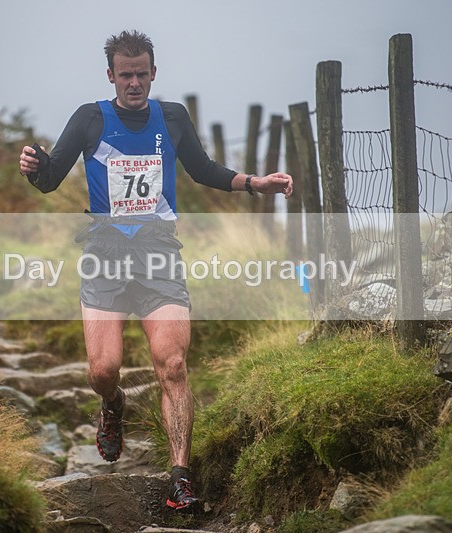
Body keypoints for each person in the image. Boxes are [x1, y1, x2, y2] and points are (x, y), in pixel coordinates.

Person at [19, 30, 292, 512]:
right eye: (125, 75)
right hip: (104, 256)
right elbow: (49, 179)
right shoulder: (89, 119)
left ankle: (181, 479)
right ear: (111, 76)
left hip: (159, 257)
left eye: (142, 73)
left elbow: (202, 168)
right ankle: (112, 404)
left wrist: (255, 182)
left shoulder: (172, 118)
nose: (134, 83)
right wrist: (33, 165)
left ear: (153, 73)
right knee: (103, 370)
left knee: (173, 364)